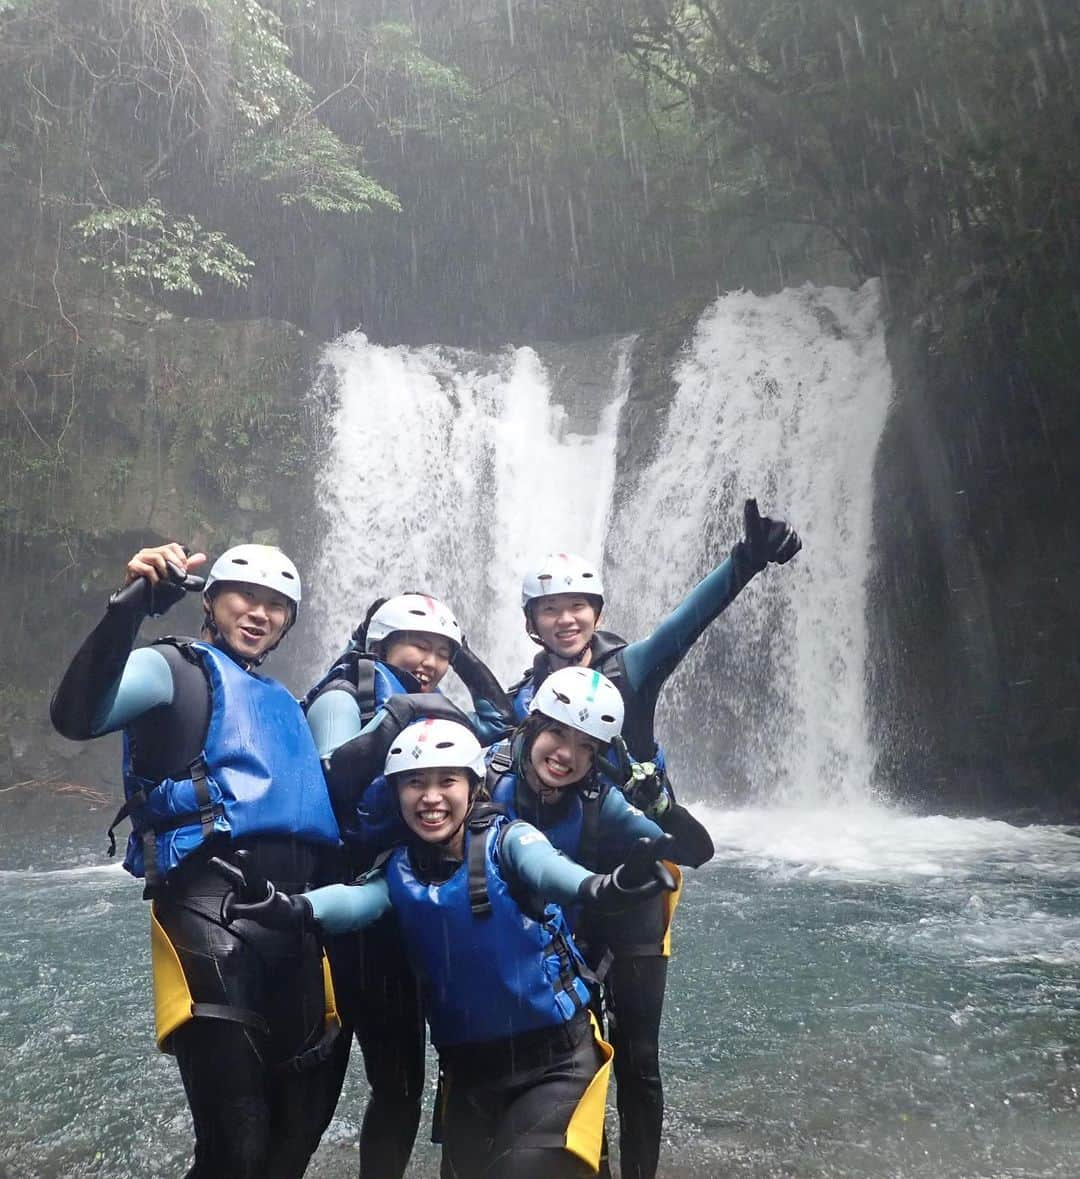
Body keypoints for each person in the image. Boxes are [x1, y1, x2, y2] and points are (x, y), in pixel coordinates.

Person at [211, 714, 677, 1179]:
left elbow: (553, 872)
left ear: (473, 786)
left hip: (554, 1064)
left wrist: (605, 887)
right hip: (469, 1077)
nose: (431, 798)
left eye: (446, 781)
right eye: (414, 783)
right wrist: (285, 906)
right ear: (396, 794)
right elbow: (353, 901)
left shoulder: (510, 841)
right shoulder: (397, 868)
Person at [509, 498, 801, 1179]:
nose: (566, 617)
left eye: (579, 604)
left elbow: (684, 626)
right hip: (562, 891)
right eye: (550, 608)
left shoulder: (629, 671)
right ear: (531, 623)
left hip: (638, 889)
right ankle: (592, 1165)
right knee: (572, 1048)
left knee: (638, 1055)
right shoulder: (519, 701)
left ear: (597, 613)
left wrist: (745, 560)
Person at [49, 541, 342, 1179]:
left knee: (295, 1137)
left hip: (295, 923)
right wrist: (129, 609)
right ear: (209, 600)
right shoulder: (173, 668)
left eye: (276, 606)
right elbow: (75, 717)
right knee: (235, 1147)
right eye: (245, 597)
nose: (260, 614)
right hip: (209, 915)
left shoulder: (288, 704)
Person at [303, 592, 514, 1179]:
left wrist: (465, 659)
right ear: (381, 643)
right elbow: (328, 791)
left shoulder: (433, 707)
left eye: (443, 650)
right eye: (420, 644)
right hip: (352, 924)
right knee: (316, 1092)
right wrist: (395, 718)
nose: (431, 660)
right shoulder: (347, 696)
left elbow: (503, 729)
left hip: (408, 914)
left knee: (400, 1088)